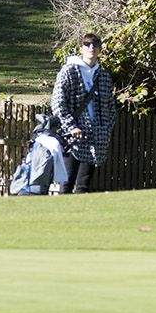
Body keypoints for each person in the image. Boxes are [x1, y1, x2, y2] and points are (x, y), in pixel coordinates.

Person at [51, 32, 118, 193]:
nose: (91, 48)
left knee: (84, 186)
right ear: (81, 48)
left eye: (95, 44)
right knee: (66, 184)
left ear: (100, 49)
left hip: (96, 137)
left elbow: (110, 106)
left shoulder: (103, 76)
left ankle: (79, 217)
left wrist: (105, 129)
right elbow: (58, 102)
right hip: (73, 136)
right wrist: (71, 127)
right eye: (87, 44)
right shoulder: (69, 71)